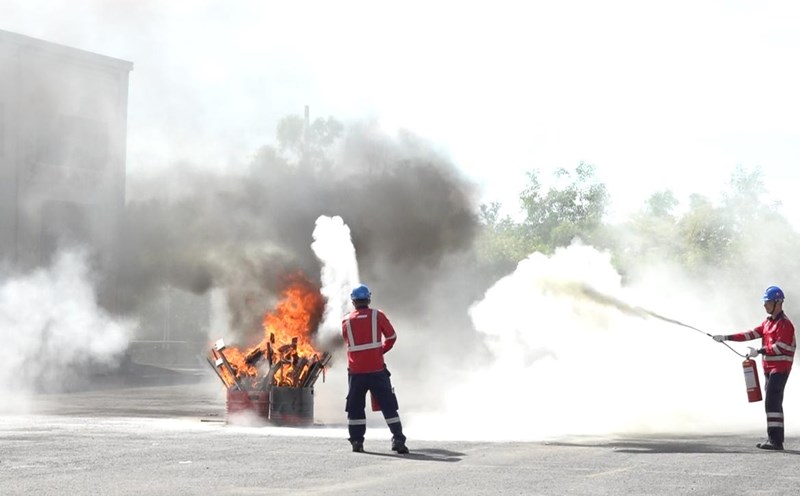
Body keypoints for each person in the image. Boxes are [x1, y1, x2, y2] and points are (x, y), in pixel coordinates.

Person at [713, 285, 796, 450]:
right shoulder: (767, 323)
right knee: (772, 403)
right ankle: (774, 439)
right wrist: (726, 337)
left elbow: (780, 347)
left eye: (767, 302)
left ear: (778, 302)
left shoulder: (785, 324)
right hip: (769, 369)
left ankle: (776, 441)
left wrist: (759, 350)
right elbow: (750, 334)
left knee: (773, 402)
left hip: (780, 369)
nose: (764, 305)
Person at [341, 284, 409, 454]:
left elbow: (347, 341)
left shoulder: (346, 320)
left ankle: (357, 442)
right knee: (388, 405)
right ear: (368, 298)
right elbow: (392, 337)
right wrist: (379, 351)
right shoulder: (377, 316)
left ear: (353, 300)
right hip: (377, 370)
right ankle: (398, 439)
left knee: (355, 407)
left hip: (356, 372)